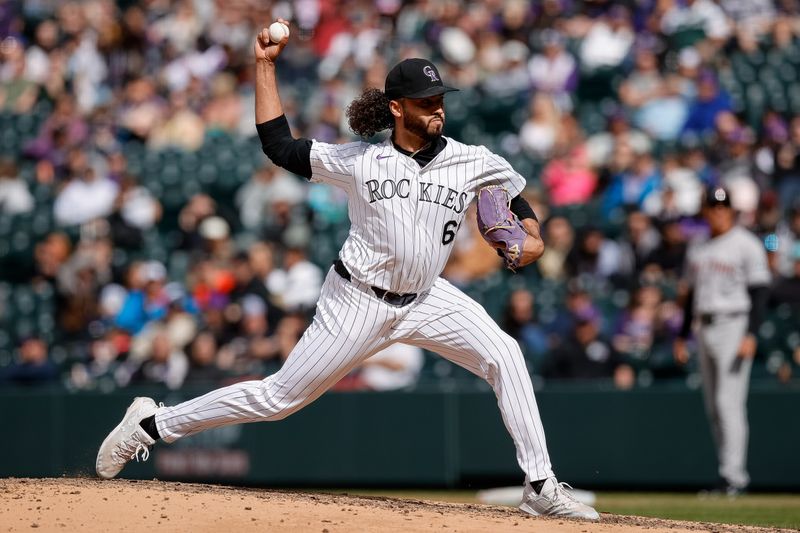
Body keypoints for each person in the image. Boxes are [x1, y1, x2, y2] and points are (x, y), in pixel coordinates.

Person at [95, 21, 599, 521]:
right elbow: (278, 144)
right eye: (425, 101)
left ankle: (540, 486)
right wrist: (265, 65)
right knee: (278, 399)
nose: (437, 107)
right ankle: (152, 424)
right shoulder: (360, 160)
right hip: (358, 300)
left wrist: (530, 238)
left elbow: (513, 196)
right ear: (398, 108)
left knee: (505, 355)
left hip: (428, 298)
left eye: (440, 97)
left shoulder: (472, 160)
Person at [673, 187, 770, 496]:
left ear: (731, 209)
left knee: (729, 405)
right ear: (705, 211)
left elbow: (760, 293)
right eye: (713, 207)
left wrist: (751, 333)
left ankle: (734, 477)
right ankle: (727, 474)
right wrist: (682, 334)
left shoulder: (746, 244)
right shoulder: (698, 247)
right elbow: (689, 296)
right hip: (705, 325)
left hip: (734, 324)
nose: (718, 212)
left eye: (723, 206)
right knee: (714, 406)